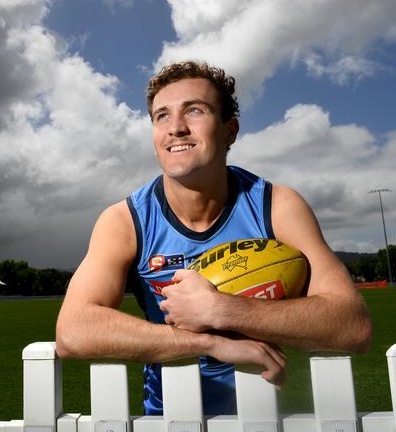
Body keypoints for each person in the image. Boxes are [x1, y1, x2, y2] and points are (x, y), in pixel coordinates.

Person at [55, 60, 373, 415]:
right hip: (169, 419)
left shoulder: (276, 206)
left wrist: (222, 310)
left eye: (194, 110)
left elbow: (353, 324)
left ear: (229, 131)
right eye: (162, 115)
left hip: (263, 415)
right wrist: (208, 341)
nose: (176, 128)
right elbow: (73, 330)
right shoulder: (125, 220)